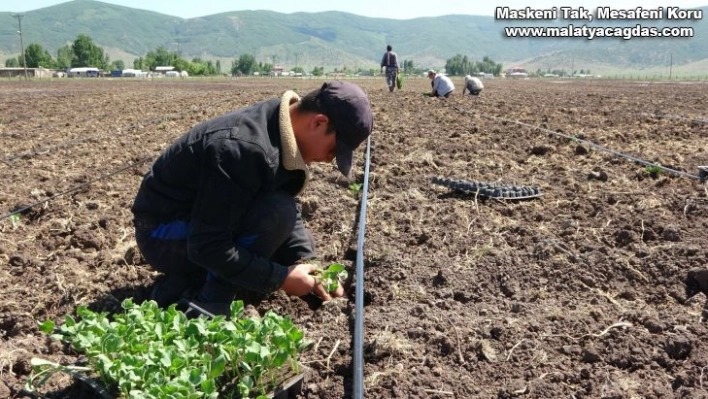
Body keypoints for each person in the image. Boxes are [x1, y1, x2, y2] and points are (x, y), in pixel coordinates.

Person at [131, 81, 374, 316]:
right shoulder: (244, 149)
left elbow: (284, 208)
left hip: (197, 223)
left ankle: (191, 279)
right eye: (333, 150)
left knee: (278, 217)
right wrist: (280, 279)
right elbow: (207, 245)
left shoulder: (282, 127)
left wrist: (307, 262)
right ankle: (208, 305)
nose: (330, 159)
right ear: (318, 123)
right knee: (276, 216)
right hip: (161, 235)